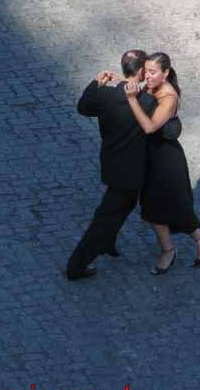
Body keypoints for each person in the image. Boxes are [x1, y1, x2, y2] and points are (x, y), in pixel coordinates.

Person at [124, 52, 200, 274]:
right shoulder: (150, 86)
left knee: (159, 208)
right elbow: (136, 89)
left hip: (166, 162)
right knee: (160, 206)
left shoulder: (168, 98)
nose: (147, 75)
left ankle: (169, 251)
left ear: (165, 73)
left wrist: (130, 99)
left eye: (153, 72)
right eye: (146, 70)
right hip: (152, 157)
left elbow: (149, 127)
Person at [66, 50, 156, 280]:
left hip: (112, 161)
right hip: (131, 170)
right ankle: (77, 265)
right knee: (106, 217)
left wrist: (96, 83)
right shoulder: (146, 102)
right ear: (142, 71)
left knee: (124, 205)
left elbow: (83, 107)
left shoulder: (104, 96)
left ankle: (108, 242)